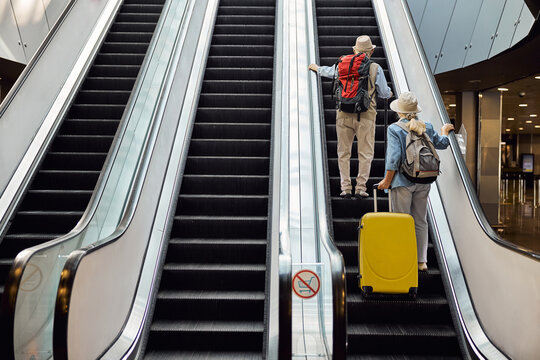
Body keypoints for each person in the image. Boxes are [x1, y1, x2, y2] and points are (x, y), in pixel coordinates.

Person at [377, 92, 454, 271]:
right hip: (425, 179)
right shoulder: (426, 126)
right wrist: (444, 131)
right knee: (420, 220)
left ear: (399, 112)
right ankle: (422, 261)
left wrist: (387, 181)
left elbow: (393, 159)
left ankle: (403, 258)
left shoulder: (394, 129)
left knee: (401, 221)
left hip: (402, 182)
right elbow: (442, 144)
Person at [309, 35, 393, 199]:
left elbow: (329, 72)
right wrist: (389, 93)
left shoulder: (343, 64)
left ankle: (345, 187)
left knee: (343, 152)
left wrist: (316, 68)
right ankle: (361, 188)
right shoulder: (375, 68)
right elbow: (383, 93)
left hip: (343, 114)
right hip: (366, 115)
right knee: (365, 153)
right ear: (372, 51)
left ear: (354, 50)